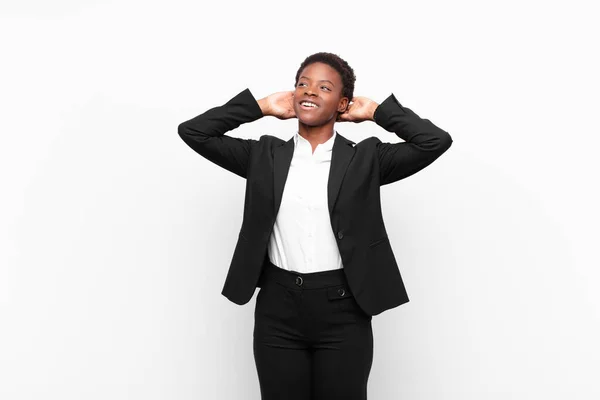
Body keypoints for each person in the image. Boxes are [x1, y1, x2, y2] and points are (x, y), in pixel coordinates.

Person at [177, 52, 453, 400]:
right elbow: (194, 132)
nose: (309, 92)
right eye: (302, 84)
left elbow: (435, 141)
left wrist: (376, 111)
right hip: (278, 310)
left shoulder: (366, 159)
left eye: (324, 87)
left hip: (343, 311)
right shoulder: (263, 156)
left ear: (342, 103)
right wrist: (259, 106)